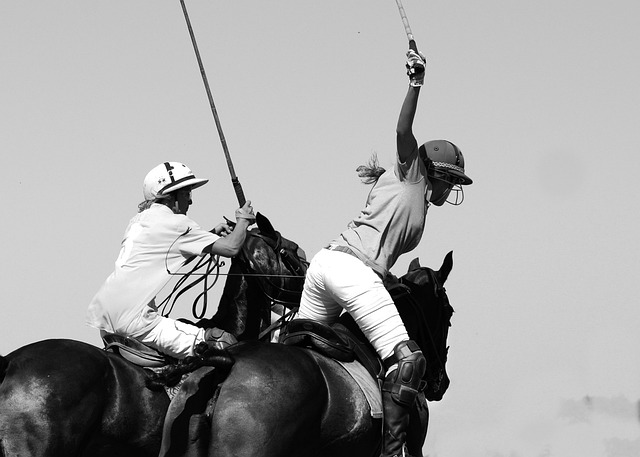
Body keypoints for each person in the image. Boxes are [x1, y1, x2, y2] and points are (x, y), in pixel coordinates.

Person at [296, 49, 472, 457]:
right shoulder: (413, 173)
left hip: (325, 268)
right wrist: (415, 84)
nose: (453, 189)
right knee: (409, 361)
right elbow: (403, 130)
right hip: (348, 272)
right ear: (439, 175)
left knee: (298, 355)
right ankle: (392, 454)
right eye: (453, 181)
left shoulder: (411, 194)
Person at [87, 161, 255, 359]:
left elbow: (171, 249)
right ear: (171, 197)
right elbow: (231, 247)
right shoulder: (176, 224)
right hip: (136, 321)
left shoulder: (139, 220)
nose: (190, 201)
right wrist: (243, 220)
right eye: (186, 194)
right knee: (222, 344)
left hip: (105, 319)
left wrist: (210, 235)